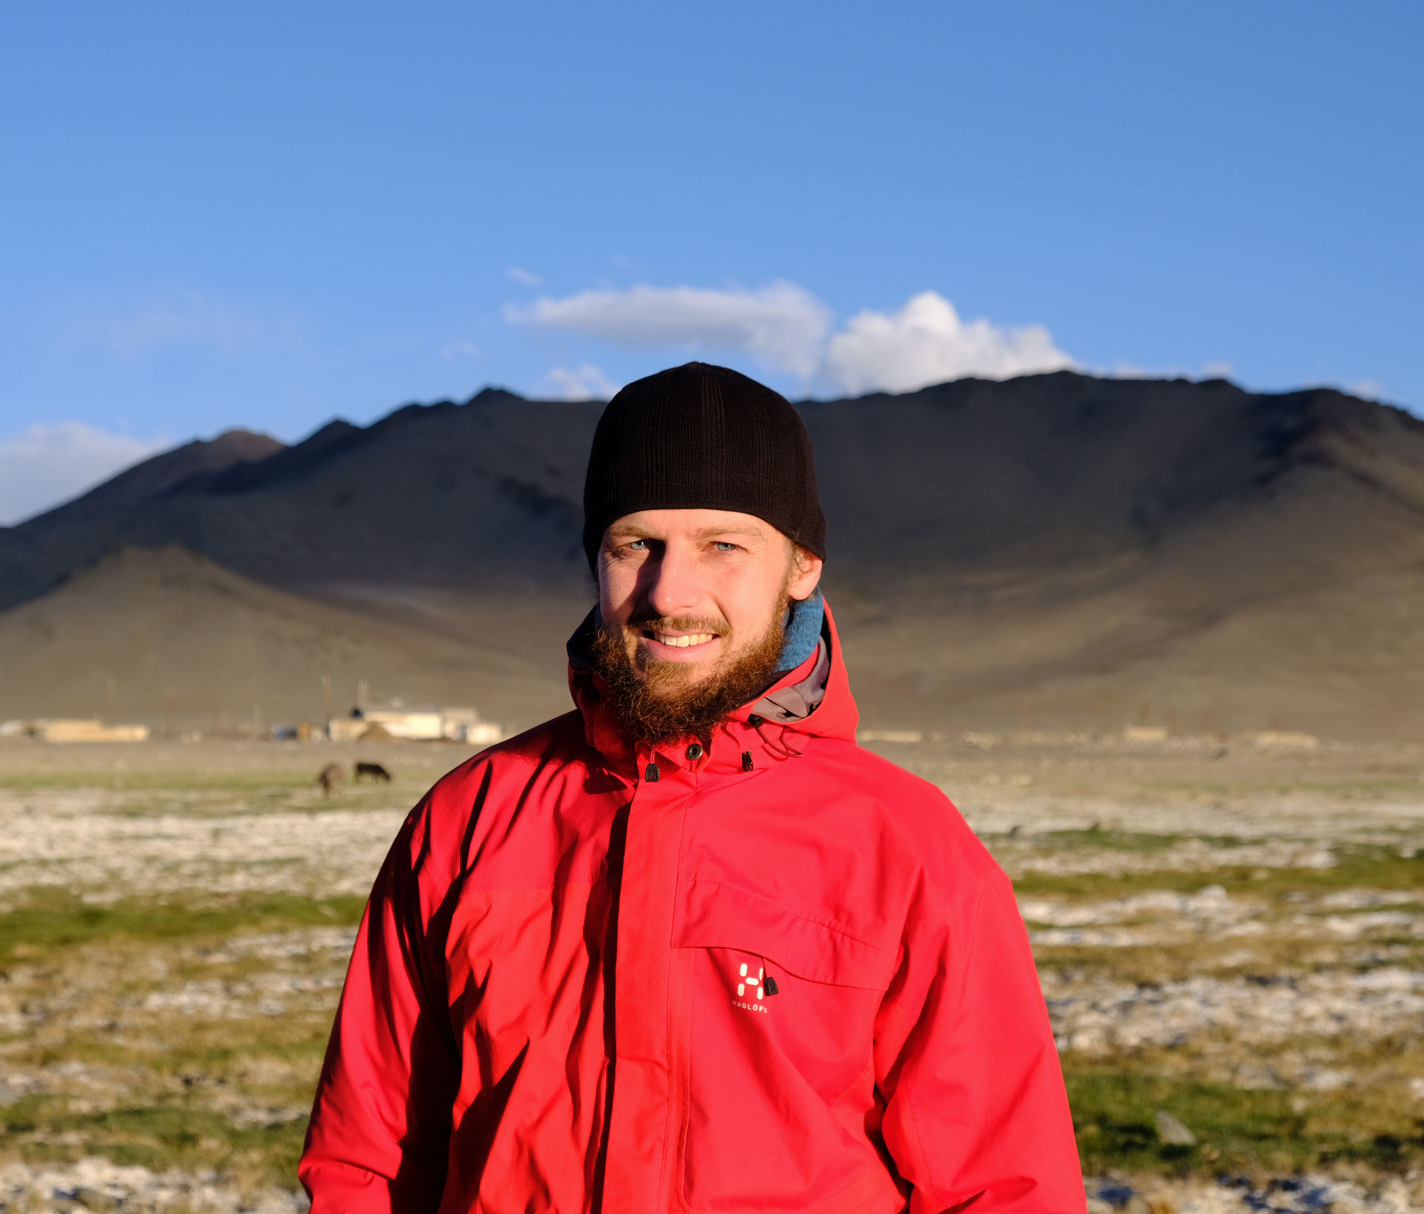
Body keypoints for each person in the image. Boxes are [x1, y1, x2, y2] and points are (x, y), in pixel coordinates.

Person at [299, 363, 1085, 1212]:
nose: (669, 593)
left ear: (803, 567)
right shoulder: (467, 819)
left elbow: (1003, 1187)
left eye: (723, 545)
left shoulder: (906, 845)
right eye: (635, 544)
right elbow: (367, 1161)